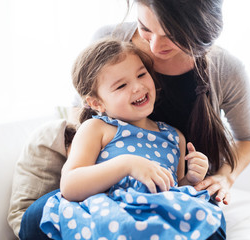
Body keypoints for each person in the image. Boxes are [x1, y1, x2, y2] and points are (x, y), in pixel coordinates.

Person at [10, 0, 250, 239]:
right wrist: (107, 166)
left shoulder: (178, 132)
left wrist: (217, 177)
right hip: (102, 192)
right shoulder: (109, 48)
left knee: (211, 222)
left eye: (172, 34)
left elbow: (184, 182)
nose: (154, 47)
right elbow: (80, 124)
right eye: (146, 28)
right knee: (37, 218)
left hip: (159, 200)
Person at [40, 37, 224, 239]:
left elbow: (175, 189)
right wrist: (127, 165)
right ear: (96, 103)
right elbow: (69, 185)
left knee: (210, 215)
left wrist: (191, 178)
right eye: (121, 86)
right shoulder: (97, 128)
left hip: (161, 216)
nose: (137, 87)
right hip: (114, 213)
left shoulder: (174, 136)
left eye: (141, 74)